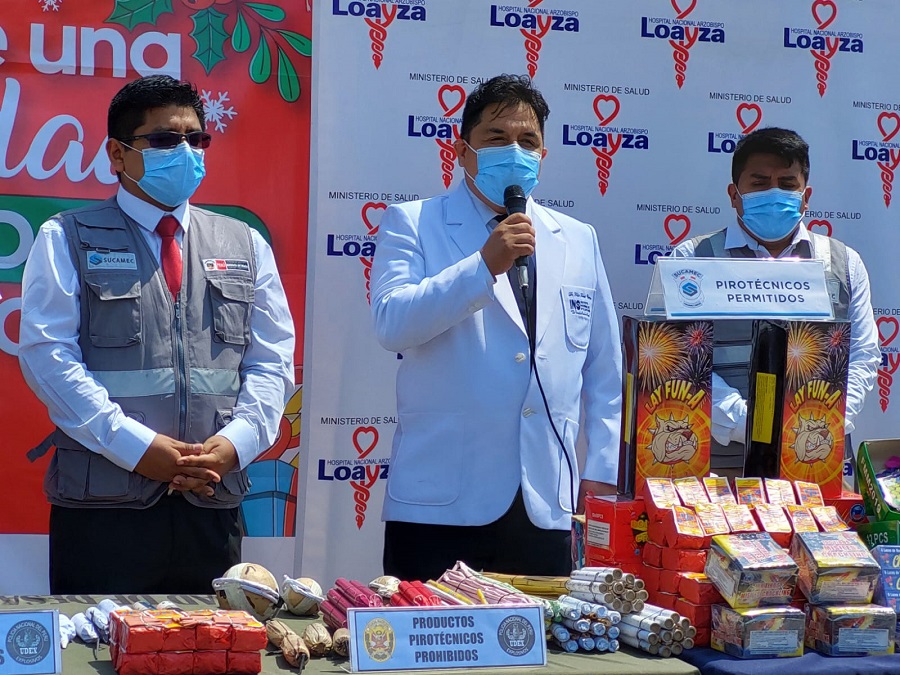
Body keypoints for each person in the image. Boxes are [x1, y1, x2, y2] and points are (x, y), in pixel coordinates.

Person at [18, 75, 295, 594]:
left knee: (212, 654)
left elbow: (272, 361)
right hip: (105, 509)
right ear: (117, 155)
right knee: (98, 658)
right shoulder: (66, 236)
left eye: (197, 139)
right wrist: (137, 447)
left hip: (212, 502)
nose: (185, 152)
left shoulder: (244, 242)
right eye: (166, 140)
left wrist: (233, 446)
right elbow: (47, 357)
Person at [370, 74, 622, 580]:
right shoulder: (413, 222)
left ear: (544, 156)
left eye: (527, 141)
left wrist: (599, 472)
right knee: (432, 650)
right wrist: (483, 266)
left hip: (545, 501)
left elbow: (603, 370)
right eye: (496, 138)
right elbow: (392, 323)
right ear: (463, 152)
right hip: (439, 504)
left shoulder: (576, 238)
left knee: (540, 658)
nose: (514, 150)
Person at [673, 127, 880, 477]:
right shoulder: (692, 261)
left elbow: (862, 356)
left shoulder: (843, 263)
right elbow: (683, 363)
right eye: (759, 182)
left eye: (787, 184)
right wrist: (749, 425)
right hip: (719, 466)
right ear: (734, 194)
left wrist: (825, 422)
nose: (774, 193)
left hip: (816, 462)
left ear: (805, 196)